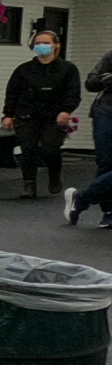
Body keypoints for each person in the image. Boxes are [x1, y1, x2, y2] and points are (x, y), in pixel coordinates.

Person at [2, 31, 81, 198]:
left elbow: (73, 92)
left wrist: (66, 111)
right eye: (38, 43)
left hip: (54, 116)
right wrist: (8, 115)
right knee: (28, 149)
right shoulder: (24, 70)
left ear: (55, 45)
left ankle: (54, 174)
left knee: (50, 148)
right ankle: (29, 184)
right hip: (27, 115)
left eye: (45, 43)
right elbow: (12, 93)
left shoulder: (67, 69)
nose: (41, 46)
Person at [66, 46, 112, 229]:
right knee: (107, 162)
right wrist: (107, 80)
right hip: (107, 112)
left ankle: (82, 198)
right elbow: (91, 82)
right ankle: (109, 211)